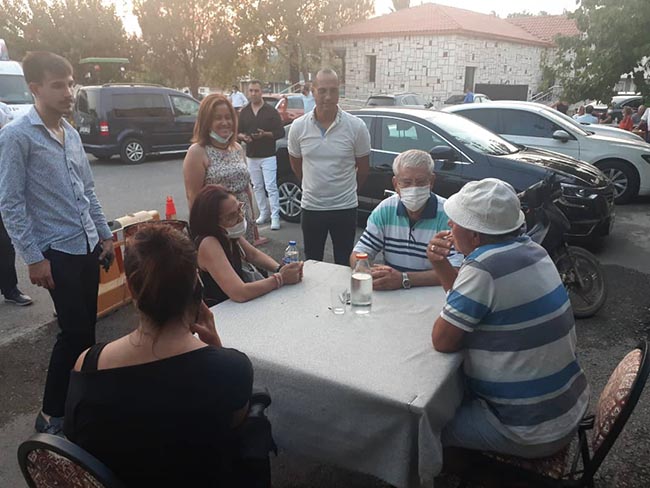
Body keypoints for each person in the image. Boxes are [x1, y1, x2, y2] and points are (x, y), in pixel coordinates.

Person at [64, 224, 258, 486]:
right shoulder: (230, 368)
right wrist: (217, 349)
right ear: (196, 285)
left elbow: (78, 443)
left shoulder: (88, 364)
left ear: (132, 288)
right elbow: (236, 427)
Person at [426, 178, 589, 458]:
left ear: (475, 236)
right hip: (567, 408)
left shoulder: (482, 267)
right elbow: (468, 306)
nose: (449, 225)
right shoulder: (534, 250)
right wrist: (440, 263)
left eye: (456, 221)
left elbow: (442, 341)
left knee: (422, 425)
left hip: (528, 430)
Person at [0, 52, 115, 435]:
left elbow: (87, 192)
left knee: (87, 329)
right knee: (73, 332)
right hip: (57, 252)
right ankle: (51, 413)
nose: (68, 92)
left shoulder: (71, 134)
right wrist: (33, 258)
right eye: (58, 85)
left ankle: (81, 400)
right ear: (35, 88)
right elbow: (10, 203)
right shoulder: (16, 136)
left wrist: (104, 235)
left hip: (87, 246)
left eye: (70, 83)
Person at [288, 68, 371, 265]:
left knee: (344, 263)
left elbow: (363, 169)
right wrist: (312, 186)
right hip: (312, 207)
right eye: (322, 90)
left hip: (345, 208)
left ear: (339, 92)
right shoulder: (298, 127)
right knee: (313, 263)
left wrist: (347, 191)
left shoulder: (356, 126)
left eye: (333, 90)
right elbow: (296, 164)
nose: (328, 96)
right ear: (313, 91)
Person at [350, 150, 463, 290]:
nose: (414, 189)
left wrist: (404, 279)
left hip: (434, 294)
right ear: (395, 184)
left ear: (431, 181)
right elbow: (359, 253)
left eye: (420, 182)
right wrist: (369, 273)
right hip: (393, 293)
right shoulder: (385, 209)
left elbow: (456, 271)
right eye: (407, 182)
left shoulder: (448, 216)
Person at [190, 184, 303, 305]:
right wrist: (281, 278)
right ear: (212, 222)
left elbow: (253, 255)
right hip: (224, 310)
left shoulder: (228, 233)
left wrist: (280, 269)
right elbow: (239, 292)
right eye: (231, 216)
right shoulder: (208, 244)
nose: (240, 218)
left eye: (240, 209)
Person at [183, 94, 258, 244]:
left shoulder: (237, 148)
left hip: (243, 220)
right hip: (218, 226)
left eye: (228, 117)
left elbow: (246, 188)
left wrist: (252, 220)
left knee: (247, 256)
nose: (225, 122)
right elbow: (193, 199)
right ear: (207, 121)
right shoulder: (197, 152)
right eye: (218, 118)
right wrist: (203, 236)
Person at [237, 80, 285, 231]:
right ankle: (264, 213)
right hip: (251, 155)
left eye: (256, 90)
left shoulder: (271, 111)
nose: (253, 93)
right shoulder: (244, 112)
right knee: (257, 186)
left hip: (268, 155)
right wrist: (244, 137)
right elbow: (237, 132)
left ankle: (275, 216)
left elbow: (280, 132)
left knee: (271, 186)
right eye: (251, 90)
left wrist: (265, 134)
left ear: (261, 92)